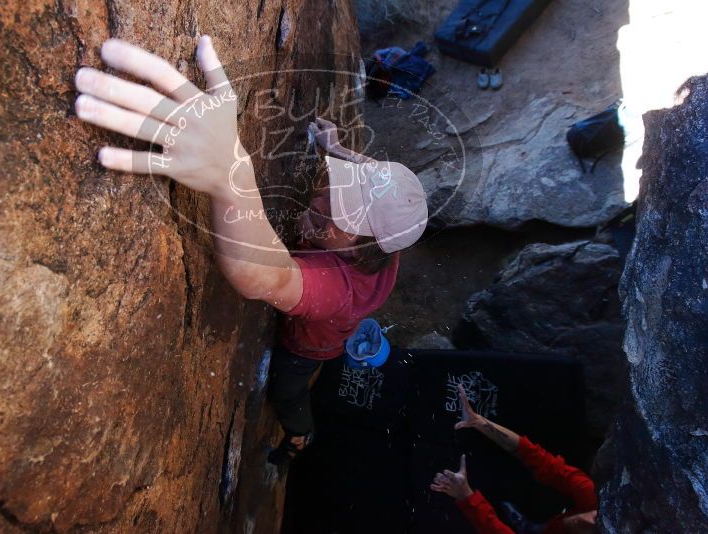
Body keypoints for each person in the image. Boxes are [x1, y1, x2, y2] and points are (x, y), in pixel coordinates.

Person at [72, 37, 428, 465]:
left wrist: (229, 174)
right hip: (333, 308)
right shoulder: (388, 231)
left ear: (363, 246)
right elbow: (371, 173)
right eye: (335, 191)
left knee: (286, 390)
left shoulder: (342, 290)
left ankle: (300, 435)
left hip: (309, 347)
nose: (319, 202)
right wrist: (335, 149)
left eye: (336, 214)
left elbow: (266, 277)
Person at [430, 384, 598, 534]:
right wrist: (479, 422)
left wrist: (466, 496)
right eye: (597, 518)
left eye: (596, 531)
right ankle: (529, 528)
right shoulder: (595, 499)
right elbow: (540, 460)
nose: (586, 520)